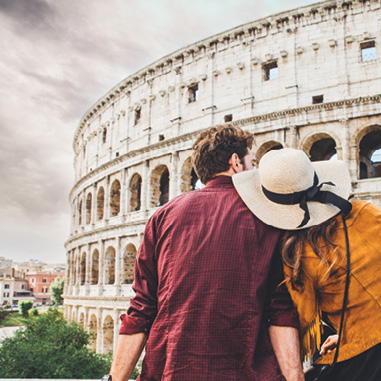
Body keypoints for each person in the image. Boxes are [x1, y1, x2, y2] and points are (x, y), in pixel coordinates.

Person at [233, 148, 381, 381]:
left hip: (378, 359)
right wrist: (351, 334)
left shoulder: (301, 254)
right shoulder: (370, 212)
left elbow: (302, 319)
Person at [107, 126, 304, 381]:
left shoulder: (162, 217)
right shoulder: (267, 217)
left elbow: (141, 309)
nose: (254, 170)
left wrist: (116, 378)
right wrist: (296, 377)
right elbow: (279, 311)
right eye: (251, 162)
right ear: (236, 163)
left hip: (170, 371)